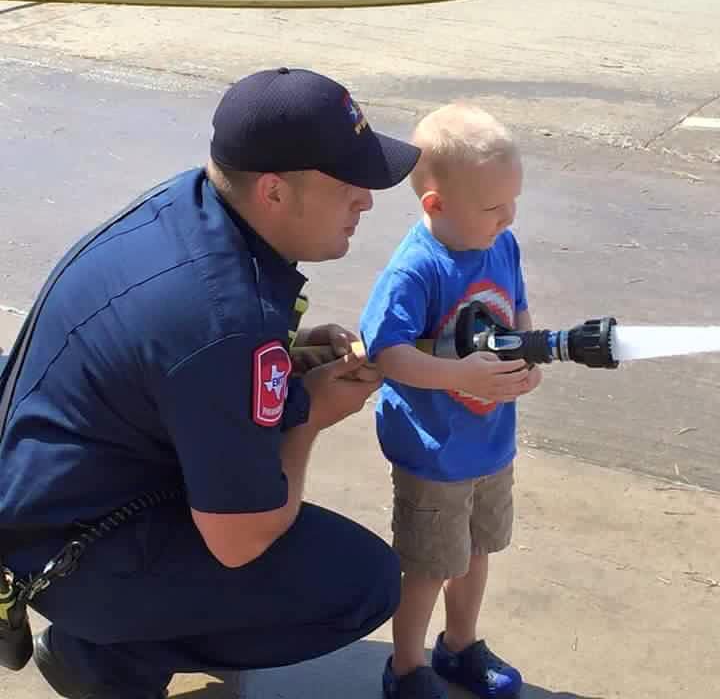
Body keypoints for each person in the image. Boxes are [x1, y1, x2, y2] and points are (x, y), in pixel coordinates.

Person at [0, 67, 421, 699]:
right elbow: (241, 540)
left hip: (50, 496)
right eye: (348, 183)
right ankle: (105, 657)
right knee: (361, 584)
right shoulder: (226, 322)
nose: (366, 199)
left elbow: (176, 364)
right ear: (275, 192)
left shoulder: (188, 206)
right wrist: (307, 416)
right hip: (67, 554)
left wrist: (288, 356)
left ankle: (109, 639)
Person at [359, 104, 543, 699]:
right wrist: (459, 373)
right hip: (435, 452)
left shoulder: (501, 245)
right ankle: (407, 667)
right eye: (492, 208)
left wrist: (528, 356)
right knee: (429, 566)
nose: (507, 217)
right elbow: (387, 354)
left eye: (511, 202)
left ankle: (460, 645)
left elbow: (518, 313)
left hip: (489, 443)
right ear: (435, 204)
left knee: (476, 551)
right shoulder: (417, 269)